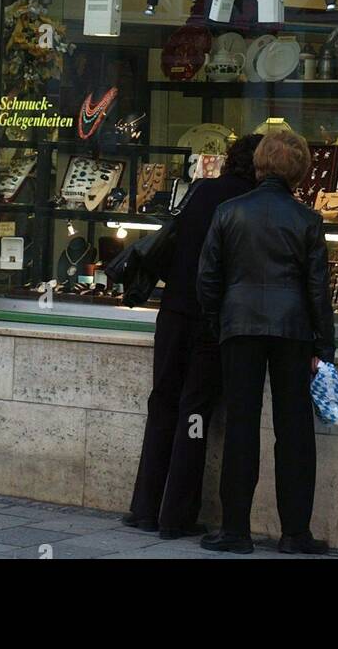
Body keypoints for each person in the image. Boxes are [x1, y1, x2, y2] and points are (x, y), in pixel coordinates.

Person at [197, 130, 334, 555]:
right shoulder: (308, 220)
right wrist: (323, 348)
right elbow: (317, 291)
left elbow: (207, 279)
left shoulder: (228, 211)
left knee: (241, 425)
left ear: (259, 163)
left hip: (239, 328)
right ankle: (295, 533)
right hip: (293, 330)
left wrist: (219, 323)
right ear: (299, 170)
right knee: (294, 432)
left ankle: (235, 530)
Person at [124, 134, 262, 539]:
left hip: (173, 311)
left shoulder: (203, 190)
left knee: (163, 402)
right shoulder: (248, 204)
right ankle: (177, 514)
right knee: (195, 413)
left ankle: (145, 507)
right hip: (208, 319)